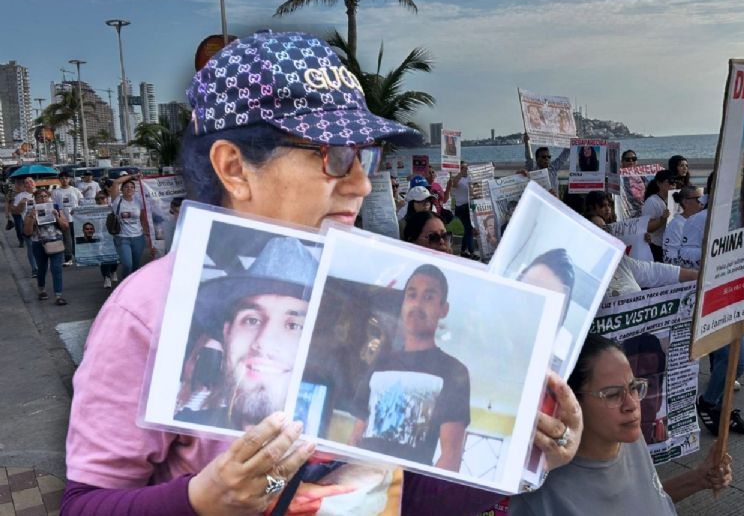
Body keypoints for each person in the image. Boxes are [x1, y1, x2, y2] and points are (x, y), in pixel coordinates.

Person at [64, 31, 582, 516]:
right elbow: (84, 503)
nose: (360, 183)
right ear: (235, 168)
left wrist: (531, 458)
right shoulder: (148, 309)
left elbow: (399, 492)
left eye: (366, 156)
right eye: (334, 156)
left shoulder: (359, 294)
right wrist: (202, 499)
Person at [510, 334, 732, 516]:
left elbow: (645, 500)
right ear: (569, 403)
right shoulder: (538, 494)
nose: (632, 404)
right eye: (613, 395)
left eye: (634, 387)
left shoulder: (627, 437)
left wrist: (697, 478)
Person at [175, 237, 315, 430]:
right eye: (252, 320)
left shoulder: (341, 458)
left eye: (294, 326)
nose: (264, 342)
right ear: (226, 333)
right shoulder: (185, 430)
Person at [352, 264, 470, 471]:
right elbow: (355, 438)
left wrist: (414, 497)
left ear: (444, 309)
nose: (417, 304)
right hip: (361, 481)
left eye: (429, 297)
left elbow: (451, 457)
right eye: (412, 295)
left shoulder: (453, 371)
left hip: (407, 491)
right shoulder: (380, 365)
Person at [23, 189, 70, 305]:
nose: (43, 198)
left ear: (49, 197)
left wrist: (57, 216)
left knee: (56, 268)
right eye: (39, 197)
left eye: (45, 196)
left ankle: (58, 295)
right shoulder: (30, 211)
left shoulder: (55, 207)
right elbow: (27, 233)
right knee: (42, 268)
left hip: (55, 242)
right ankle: (42, 289)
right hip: (39, 243)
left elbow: (65, 227)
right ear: (35, 199)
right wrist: (32, 219)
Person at [109, 173, 151, 279]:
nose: (129, 189)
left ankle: (132, 288)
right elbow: (116, 182)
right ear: (121, 189)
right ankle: (124, 286)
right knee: (128, 264)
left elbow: (142, 218)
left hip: (138, 238)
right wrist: (133, 176)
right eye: (126, 187)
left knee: (136, 266)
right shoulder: (117, 200)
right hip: (122, 238)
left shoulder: (138, 201)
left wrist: (147, 232)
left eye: (132, 187)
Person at [663, 185, 702, 265]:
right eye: (698, 199)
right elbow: (669, 259)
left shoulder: (700, 220)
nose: (702, 202)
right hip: (688, 275)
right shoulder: (676, 225)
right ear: (685, 202)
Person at [445, 161, 477, 259]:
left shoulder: (469, 178)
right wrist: (460, 172)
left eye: (467, 167)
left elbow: (474, 192)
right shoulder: (456, 179)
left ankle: (463, 251)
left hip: (469, 206)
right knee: (469, 230)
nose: (466, 169)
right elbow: (454, 184)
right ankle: (471, 252)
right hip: (461, 207)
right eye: (463, 167)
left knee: (469, 230)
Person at [642, 170, 673, 262]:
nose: (673, 185)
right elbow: (647, 227)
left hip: (671, 245)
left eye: (675, 182)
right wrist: (662, 219)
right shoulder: (652, 202)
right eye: (670, 182)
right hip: (657, 245)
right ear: (659, 183)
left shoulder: (674, 200)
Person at [52, 171, 83, 266]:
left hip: (76, 219)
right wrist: (59, 217)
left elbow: (81, 203)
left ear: (69, 179)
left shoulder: (75, 190)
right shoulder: (55, 192)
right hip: (63, 219)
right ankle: (68, 258)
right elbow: (54, 206)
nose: (64, 180)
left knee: (77, 238)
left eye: (66, 178)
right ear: (59, 180)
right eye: (62, 178)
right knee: (67, 238)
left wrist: (78, 212)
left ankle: (79, 256)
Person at [12, 176, 39, 276]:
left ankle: (41, 265)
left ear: (35, 183)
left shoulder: (41, 193)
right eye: (26, 183)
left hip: (41, 224)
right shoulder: (20, 196)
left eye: (31, 181)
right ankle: (34, 269)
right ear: (24, 185)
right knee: (31, 247)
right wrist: (21, 205)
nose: (29, 184)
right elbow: (15, 211)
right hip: (27, 224)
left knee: (42, 246)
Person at [94, 192, 119, 288]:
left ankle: (113, 271)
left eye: (102, 198)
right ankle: (106, 278)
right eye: (97, 199)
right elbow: (81, 214)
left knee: (113, 257)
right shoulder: (92, 209)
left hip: (112, 236)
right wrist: (74, 213)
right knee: (103, 258)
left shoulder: (112, 207)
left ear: (106, 199)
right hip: (100, 238)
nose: (100, 201)